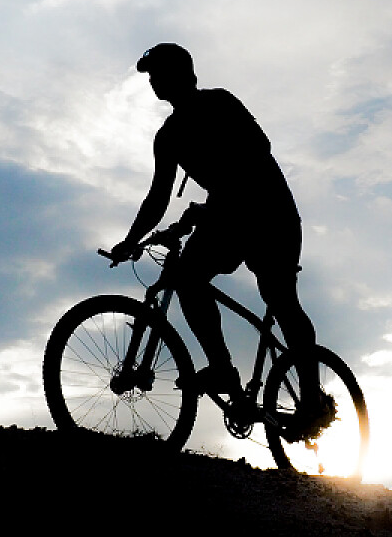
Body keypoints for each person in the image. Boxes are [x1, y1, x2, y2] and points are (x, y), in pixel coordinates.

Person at [109, 43, 332, 440]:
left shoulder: (220, 103)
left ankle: (312, 400)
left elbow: (258, 152)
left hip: (270, 212)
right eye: (150, 76)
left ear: (183, 74)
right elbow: (158, 197)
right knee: (187, 278)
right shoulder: (169, 136)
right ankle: (222, 368)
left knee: (280, 297)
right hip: (228, 216)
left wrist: (210, 207)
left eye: (159, 73)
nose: (154, 82)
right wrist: (131, 239)